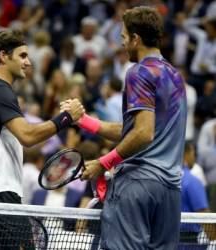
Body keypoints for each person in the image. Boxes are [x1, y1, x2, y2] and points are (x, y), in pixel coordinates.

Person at [0, 29, 84, 249]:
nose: (28, 62)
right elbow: (27, 136)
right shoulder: (1, 91)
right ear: (3, 56)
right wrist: (67, 118)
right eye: (22, 55)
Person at [63, 7, 187, 249]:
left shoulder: (138, 72)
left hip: (136, 185)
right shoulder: (175, 76)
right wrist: (85, 121)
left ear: (135, 39)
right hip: (169, 192)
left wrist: (103, 162)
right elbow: (139, 128)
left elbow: (143, 133)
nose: (122, 44)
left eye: (123, 37)